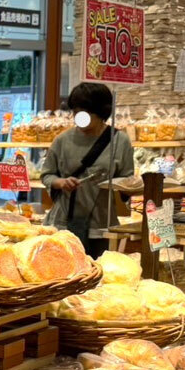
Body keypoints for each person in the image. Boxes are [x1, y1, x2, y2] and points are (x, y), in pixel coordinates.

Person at [40, 82, 134, 257]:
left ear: (102, 112)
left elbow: (128, 180)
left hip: (102, 224)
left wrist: (125, 186)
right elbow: (47, 175)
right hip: (64, 222)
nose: (79, 118)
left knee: (100, 270)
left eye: (85, 112)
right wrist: (61, 182)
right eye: (76, 112)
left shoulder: (120, 141)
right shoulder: (62, 140)